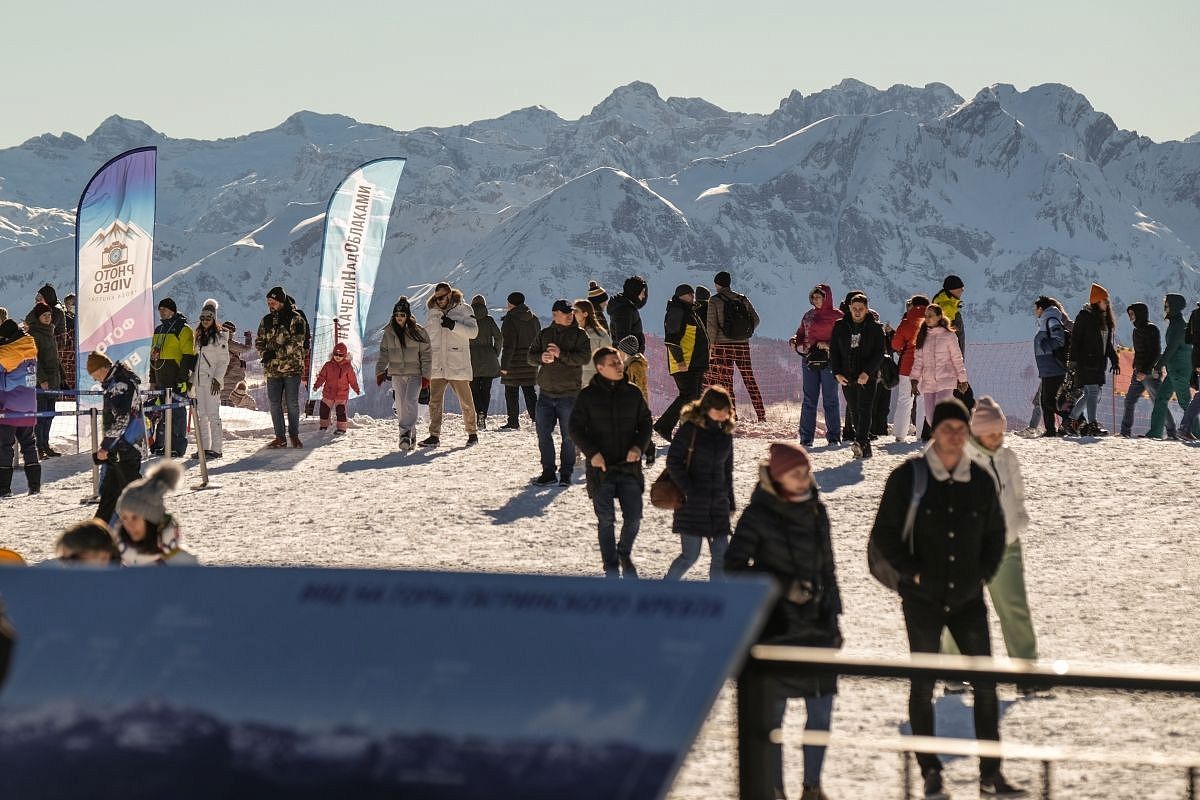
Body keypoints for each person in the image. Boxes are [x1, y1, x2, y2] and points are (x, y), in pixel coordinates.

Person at [868, 398, 1020, 799]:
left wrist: (981, 577)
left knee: (986, 687)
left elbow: (995, 535)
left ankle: (992, 775)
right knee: (923, 686)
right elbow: (883, 535)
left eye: (960, 428)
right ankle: (930, 772)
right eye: (947, 427)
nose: (954, 435)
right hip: (922, 600)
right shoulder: (908, 478)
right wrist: (913, 573)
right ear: (933, 431)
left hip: (969, 599)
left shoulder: (981, 480)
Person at [726, 441, 842, 800]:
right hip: (775, 631)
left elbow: (828, 567)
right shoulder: (757, 514)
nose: (804, 478)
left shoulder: (816, 510)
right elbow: (732, 569)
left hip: (818, 629)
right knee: (771, 721)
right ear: (777, 479)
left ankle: (813, 786)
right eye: (796, 473)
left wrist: (835, 617)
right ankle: (773, 789)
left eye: (806, 471)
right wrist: (781, 586)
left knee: (821, 716)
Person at [942, 398, 1039, 692]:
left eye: (1001, 432)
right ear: (977, 432)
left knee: (1014, 607)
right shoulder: (961, 460)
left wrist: (1017, 520)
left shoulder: (1008, 457)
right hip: (967, 550)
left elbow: (1017, 492)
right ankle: (953, 673)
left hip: (1007, 545)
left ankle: (1026, 674)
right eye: (992, 432)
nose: (998, 438)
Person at [569, 346, 652, 578]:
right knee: (606, 520)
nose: (619, 366)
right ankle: (611, 566)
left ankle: (624, 553)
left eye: (619, 361)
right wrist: (591, 453)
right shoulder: (587, 396)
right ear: (600, 368)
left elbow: (646, 423)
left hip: (629, 468)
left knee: (634, 518)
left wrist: (639, 447)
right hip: (600, 470)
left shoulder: (633, 393)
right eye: (613, 363)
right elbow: (575, 428)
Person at [664, 386, 736, 580]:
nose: (723, 414)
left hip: (718, 504)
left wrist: (730, 500)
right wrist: (689, 490)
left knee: (721, 556)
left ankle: (717, 598)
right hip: (692, 504)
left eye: (726, 410)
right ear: (706, 408)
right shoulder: (690, 429)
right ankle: (663, 591)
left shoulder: (726, 434)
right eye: (718, 409)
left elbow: (727, 470)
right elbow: (673, 462)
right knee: (690, 556)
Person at [528, 299, 591, 486]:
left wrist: (560, 354)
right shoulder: (545, 334)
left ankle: (566, 474)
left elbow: (584, 358)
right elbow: (531, 356)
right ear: (555, 314)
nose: (571, 315)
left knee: (568, 436)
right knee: (543, 435)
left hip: (570, 395)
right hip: (545, 395)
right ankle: (548, 472)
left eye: (571, 312)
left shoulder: (580, 335)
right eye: (566, 312)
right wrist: (541, 357)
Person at [87, 350, 146, 527]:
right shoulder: (118, 381)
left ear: (103, 368)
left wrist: (106, 446)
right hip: (122, 446)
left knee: (133, 492)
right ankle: (99, 528)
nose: (95, 379)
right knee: (110, 493)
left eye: (95, 375)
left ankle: (153, 528)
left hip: (126, 446)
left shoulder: (120, 384)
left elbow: (122, 418)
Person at [421, 282, 480, 448]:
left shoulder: (465, 309)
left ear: (449, 294)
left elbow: (474, 333)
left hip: (457, 364)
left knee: (466, 401)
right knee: (434, 402)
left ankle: (472, 433)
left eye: (442, 297)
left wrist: (454, 326)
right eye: (436, 297)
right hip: (437, 364)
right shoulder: (433, 313)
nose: (439, 300)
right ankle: (434, 436)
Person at [829, 293, 885, 459]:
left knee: (865, 408)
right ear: (850, 309)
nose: (858, 312)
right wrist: (837, 372)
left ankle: (859, 442)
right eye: (855, 309)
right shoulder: (840, 326)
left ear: (867, 309)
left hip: (868, 376)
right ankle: (865, 447)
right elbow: (834, 351)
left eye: (861, 309)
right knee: (854, 410)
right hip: (847, 375)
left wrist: (867, 372)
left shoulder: (875, 328)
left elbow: (879, 353)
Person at [114, 461, 199, 566]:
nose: (129, 525)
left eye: (135, 517)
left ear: (152, 519)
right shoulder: (118, 560)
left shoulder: (182, 563)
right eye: (124, 518)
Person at [707, 270, 765, 422]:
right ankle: (761, 414)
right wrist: (745, 333)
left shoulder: (714, 301)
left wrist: (711, 346)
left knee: (727, 382)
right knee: (749, 378)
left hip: (722, 346)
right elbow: (756, 319)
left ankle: (733, 415)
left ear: (717, 284)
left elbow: (711, 327)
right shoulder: (742, 298)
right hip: (742, 345)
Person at [376, 297, 432, 451]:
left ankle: (404, 433)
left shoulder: (419, 332)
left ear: (407, 316)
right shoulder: (389, 332)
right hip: (397, 374)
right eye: (397, 315)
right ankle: (410, 434)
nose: (399, 318)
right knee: (400, 404)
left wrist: (427, 375)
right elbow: (384, 353)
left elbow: (426, 355)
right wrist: (380, 371)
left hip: (416, 373)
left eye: (402, 315)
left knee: (410, 400)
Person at [790, 284, 843, 447]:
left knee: (830, 399)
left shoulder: (838, 316)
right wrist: (795, 341)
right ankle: (806, 438)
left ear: (827, 297)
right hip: (809, 360)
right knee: (809, 399)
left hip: (829, 361)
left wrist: (828, 345)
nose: (816, 300)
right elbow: (801, 333)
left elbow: (844, 338)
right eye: (814, 297)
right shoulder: (808, 315)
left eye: (819, 297)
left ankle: (834, 437)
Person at [256, 286, 308, 448]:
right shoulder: (266, 320)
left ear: (281, 301)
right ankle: (280, 437)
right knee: (274, 403)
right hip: (273, 370)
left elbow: (297, 342)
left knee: (292, 403)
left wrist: (275, 354)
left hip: (292, 369)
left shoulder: (296, 319)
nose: (270, 305)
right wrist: (264, 353)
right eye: (268, 302)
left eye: (273, 302)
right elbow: (259, 341)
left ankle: (294, 435)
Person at [656, 284, 710, 441]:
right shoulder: (677, 310)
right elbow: (671, 339)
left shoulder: (690, 311)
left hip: (696, 362)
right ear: (680, 295)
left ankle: (689, 431)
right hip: (685, 363)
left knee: (695, 397)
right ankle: (663, 426)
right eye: (689, 294)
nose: (692, 296)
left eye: (692, 294)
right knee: (688, 395)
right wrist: (680, 360)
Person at [1067, 284, 1119, 436]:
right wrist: (1073, 360)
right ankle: (1092, 425)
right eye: (1105, 301)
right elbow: (1076, 339)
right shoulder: (1085, 317)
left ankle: (1070, 421)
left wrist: (1114, 359)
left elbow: (1107, 344)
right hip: (1086, 362)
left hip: (1098, 364)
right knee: (1093, 392)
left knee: (1089, 394)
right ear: (1097, 302)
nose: (1107, 304)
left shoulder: (1104, 320)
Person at [909, 303, 969, 433]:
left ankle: (948, 440)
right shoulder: (922, 336)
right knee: (931, 418)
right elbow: (918, 361)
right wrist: (914, 380)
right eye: (926, 316)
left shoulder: (949, 336)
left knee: (941, 411)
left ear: (939, 317)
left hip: (946, 380)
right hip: (928, 382)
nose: (927, 318)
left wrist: (962, 379)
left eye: (930, 316)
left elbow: (957, 358)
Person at [1121, 302, 1175, 438]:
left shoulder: (1152, 329)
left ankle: (1172, 432)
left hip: (1149, 373)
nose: (1130, 317)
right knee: (1129, 401)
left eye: (1132, 314)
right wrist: (1136, 368)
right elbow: (1139, 353)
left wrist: (1144, 371)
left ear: (1140, 313)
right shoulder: (1136, 330)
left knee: (1159, 402)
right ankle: (1125, 432)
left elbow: (1155, 352)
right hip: (1138, 372)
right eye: (1129, 314)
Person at [149, 297, 195, 457]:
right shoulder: (158, 330)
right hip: (160, 378)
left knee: (177, 413)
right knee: (162, 414)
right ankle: (163, 445)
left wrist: (182, 379)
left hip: (176, 379)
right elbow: (153, 357)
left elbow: (188, 356)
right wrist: (152, 380)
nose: (161, 312)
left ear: (173, 311)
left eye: (165, 309)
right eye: (160, 309)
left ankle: (178, 446)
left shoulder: (183, 329)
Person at [0, 318, 41, 496]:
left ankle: (3, 488)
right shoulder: (29, 346)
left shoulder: (8, 352)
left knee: (4, 447)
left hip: (9, 406)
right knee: (29, 445)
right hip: (29, 405)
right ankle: (34, 486)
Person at [1147, 293, 1194, 440]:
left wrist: (1158, 366)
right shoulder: (1176, 324)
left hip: (1180, 370)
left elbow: (1171, 349)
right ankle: (1154, 433)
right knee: (1161, 397)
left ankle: (1197, 432)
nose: (1164, 307)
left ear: (1173, 306)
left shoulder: (1179, 326)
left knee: (1185, 402)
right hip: (1175, 369)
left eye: (1167, 304)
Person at [191, 299, 229, 459]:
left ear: (214, 319)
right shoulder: (199, 337)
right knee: (201, 415)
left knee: (213, 414)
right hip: (199, 382)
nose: (205, 320)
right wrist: (191, 379)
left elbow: (224, 361)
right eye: (202, 318)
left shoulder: (220, 338)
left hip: (212, 382)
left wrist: (218, 379)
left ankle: (217, 448)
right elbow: (196, 361)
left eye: (208, 317)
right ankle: (204, 447)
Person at [27, 301, 65, 458]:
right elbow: (33, 359)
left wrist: (62, 377)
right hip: (41, 382)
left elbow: (55, 358)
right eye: (44, 315)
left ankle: (46, 445)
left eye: (49, 315)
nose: (48, 318)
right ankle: (38, 448)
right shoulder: (34, 335)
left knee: (50, 414)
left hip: (53, 380)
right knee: (41, 415)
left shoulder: (50, 331)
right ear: (38, 317)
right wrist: (41, 379)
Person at [498, 292, 540, 431]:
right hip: (530, 360)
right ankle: (537, 419)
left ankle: (513, 422)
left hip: (514, 361)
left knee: (511, 392)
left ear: (511, 304)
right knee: (529, 391)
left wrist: (504, 365)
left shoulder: (510, 319)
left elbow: (509, 345)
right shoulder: (534, 318)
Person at [892, 295, 930, 442]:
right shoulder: (932, 321)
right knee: (923, 402)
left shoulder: (906, 322)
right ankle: (921, 434)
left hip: (907, 368)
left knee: (904, 400)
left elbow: (895, 345)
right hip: (926, 367)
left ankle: (900, 435)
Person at [1032, 297, 1070, 437]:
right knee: (1045, 400)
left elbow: (1059, 339)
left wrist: (1045, 346)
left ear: (1041, 309)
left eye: (1036, 308)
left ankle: (1072, 418)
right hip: (1047, 367)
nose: (1035, 311)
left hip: (1053, 367)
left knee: (1049, 401)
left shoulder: (1051, 320)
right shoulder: (1046, 320)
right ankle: (1050, 430)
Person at [469, 294, 503, 430]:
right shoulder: (489, 320)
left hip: (471, 358)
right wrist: (495, 352)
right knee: (486, 389)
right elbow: (499, 337)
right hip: (489, 357)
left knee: (474, 389)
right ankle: (484, 414)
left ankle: (479, 413)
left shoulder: (467, 320)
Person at [313, 341, 361, 435]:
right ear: (333, 354)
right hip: (328, 392)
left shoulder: (348, 367)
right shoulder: (328, 365)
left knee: (340, 411)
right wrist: (316, 386)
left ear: (345, 355)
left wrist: (356, 389)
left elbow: (352, 380)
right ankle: (324, 425)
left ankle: (341, 428)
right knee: (324, 409)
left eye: (340, 355)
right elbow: (322, 377)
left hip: (341, 394)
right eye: (336, 354)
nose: (337, 356)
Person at [574, 298, 612, 387]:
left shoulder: (600, 334)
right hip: (575, 382)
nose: (572, 313)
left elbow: (608, 357)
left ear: (585, 314)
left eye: (576, 311)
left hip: (594, 382)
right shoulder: (571, 334)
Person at [50, 520, 120, 566]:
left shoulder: (126, 586)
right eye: (63, 559)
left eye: (74, 558)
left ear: (104, 557)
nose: (66, 565)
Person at [607, 275, 648, 354]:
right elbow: (623, 342)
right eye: (642, 292)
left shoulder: (627, 307)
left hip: (631, 359)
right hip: (629, 360)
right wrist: (631, 361)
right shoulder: (624, 311)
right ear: (634, 292)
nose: (643, 296)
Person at [931, 274, 966, 357]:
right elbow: (947, 333)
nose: (962, 290)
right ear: (951, 290)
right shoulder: (947, 306)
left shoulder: (949, 303)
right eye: (960, 288)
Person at [221, 320, 250, 405]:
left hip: (223, 377)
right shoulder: (229, 343)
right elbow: (246, 348)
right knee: (230, 402)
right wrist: (248, 337)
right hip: (232, 377)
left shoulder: (217, 342)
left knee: (223, 401)